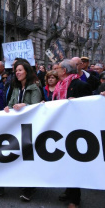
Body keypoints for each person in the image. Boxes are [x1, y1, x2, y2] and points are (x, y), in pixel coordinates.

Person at [53, 59, 92, 208]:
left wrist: (78, 102)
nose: (55, 70)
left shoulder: (80, 85)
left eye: (58, 68)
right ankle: (69, 191)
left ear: (64, 70)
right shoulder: (59, 86)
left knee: (74, 163)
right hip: (61, 129)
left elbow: (89, 105)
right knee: (65, 163)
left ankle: (75, 199)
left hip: (76, 130)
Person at [4, 61, 42, 202]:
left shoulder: (35, 88)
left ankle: (30, 187)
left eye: (20, 70)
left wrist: (24, 105)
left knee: (28, 155)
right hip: (17, 126)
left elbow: (36, 107)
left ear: (27, 71)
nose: (17, 73)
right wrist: (8, 108)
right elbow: (10, 103)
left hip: (30, 127)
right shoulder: (15, 87)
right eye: (16, 71)